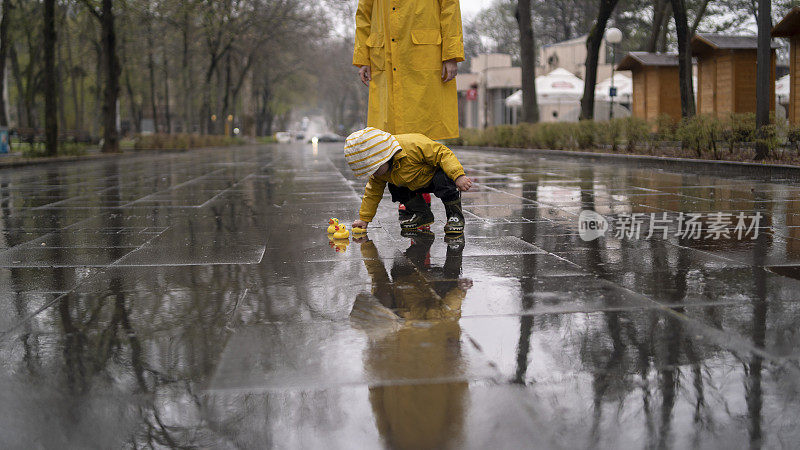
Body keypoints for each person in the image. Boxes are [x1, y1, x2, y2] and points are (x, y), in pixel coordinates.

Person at [353, 0, 464, 220]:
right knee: (391, 134)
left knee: (423, 133)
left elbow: (450, 7)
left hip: (423, 55)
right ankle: (412, 197)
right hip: (385, 56)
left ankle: (422, 193)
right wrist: (363, 56)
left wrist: (451, 54)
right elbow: (364, 13)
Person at [345, 127, 471, 234]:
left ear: (384, 156)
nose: (374, 173)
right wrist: (364, 219)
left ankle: (454, 216)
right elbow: (372, 194)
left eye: (375, 168)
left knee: (444, 181)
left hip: (433, 175)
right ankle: (422, 214)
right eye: (369, 171)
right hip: (412, 183)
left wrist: (458, 176)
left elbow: (442, 153)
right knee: (394, 188)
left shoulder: (412, 145)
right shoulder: (379, 173)